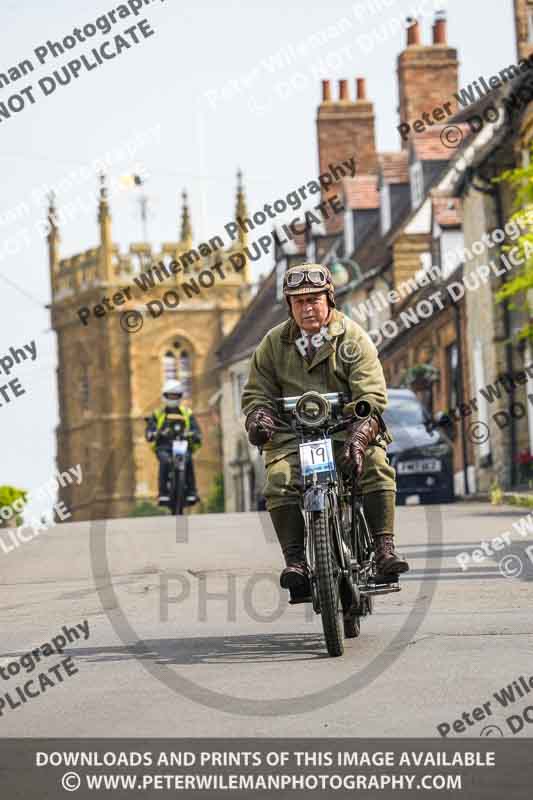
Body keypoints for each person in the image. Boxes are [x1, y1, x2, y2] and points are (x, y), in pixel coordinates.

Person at [241, 263, 409, 603]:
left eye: (314, 299)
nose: (307, 308)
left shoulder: (353, 336)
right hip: (291, 436)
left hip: (346, 431)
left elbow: (372, 395)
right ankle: (297, 562)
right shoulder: (272, 345)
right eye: (298, 301)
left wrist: (360, 438)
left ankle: (383, 547)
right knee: (278, 481)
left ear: (329, 299)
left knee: (376, 464)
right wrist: (259, 417)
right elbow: (256, 393)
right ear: (289, 305)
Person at [145, 379, 202, 506]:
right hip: (164, 446)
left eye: (175, 395)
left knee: (188, 461)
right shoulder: (158, 413)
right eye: (170, 395)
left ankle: (192, 492)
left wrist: (196, 434)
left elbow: (195, 427)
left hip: (182, 444)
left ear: (180, 396)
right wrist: (152, 433)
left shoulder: (187, 413)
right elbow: (150, 428)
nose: (173, 398)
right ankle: (163, 493)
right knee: (164, 462)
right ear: (164, 396)